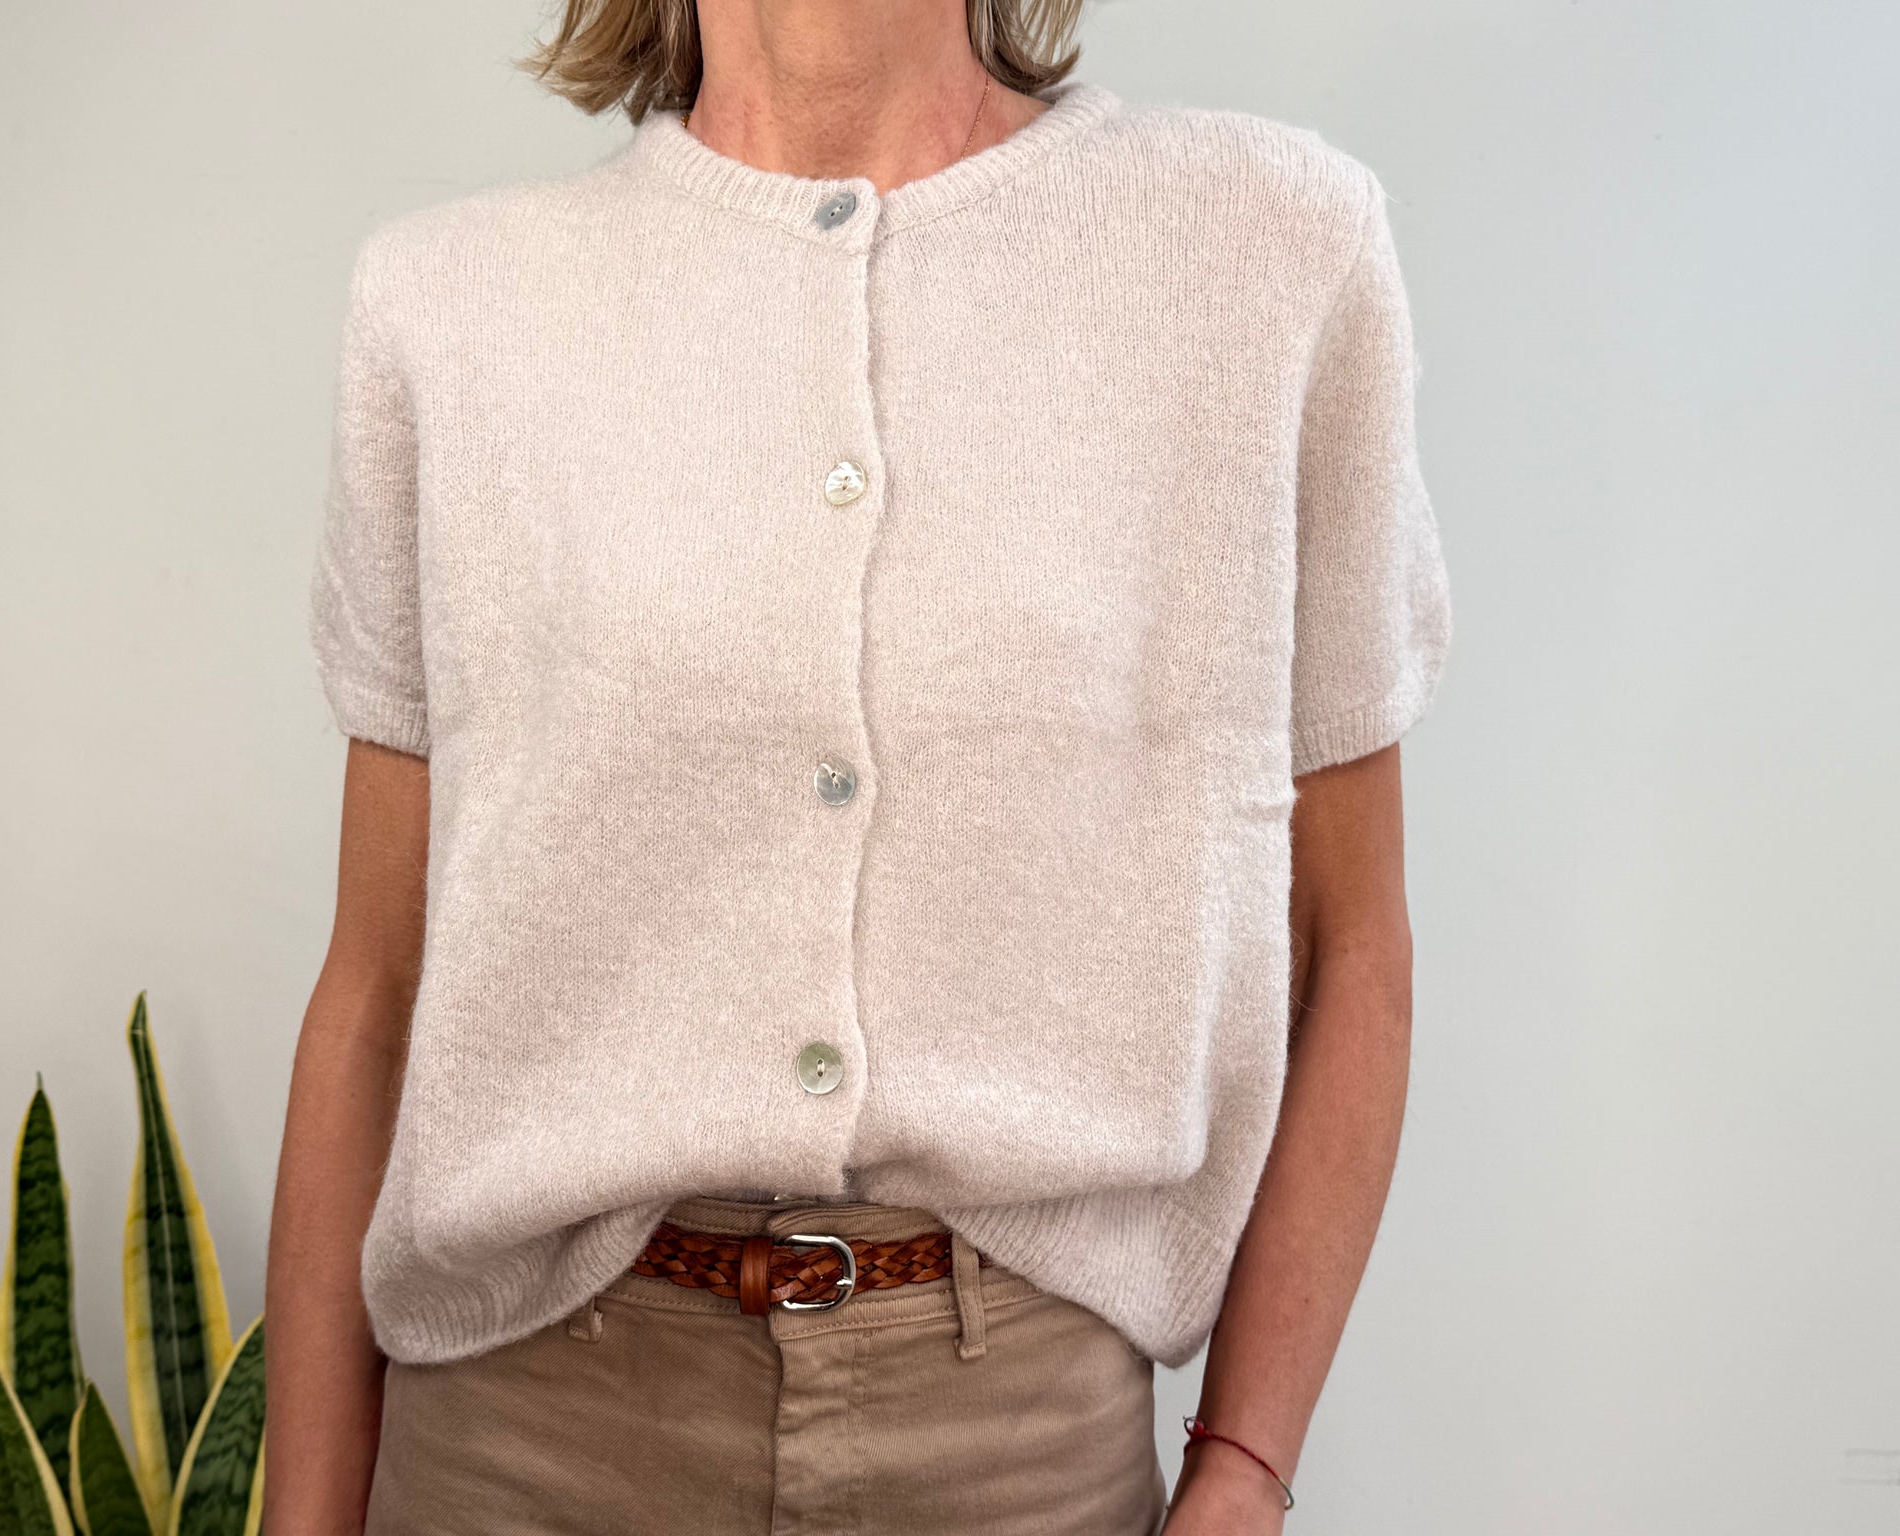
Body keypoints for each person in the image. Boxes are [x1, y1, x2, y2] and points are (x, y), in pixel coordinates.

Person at [264, 1, 1453, 1532]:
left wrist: (1245, 1469)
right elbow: (374, 992)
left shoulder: (1264, 248)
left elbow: (1357, 950)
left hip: (1017, 1453)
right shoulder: (450, 307)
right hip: (522, 1443)